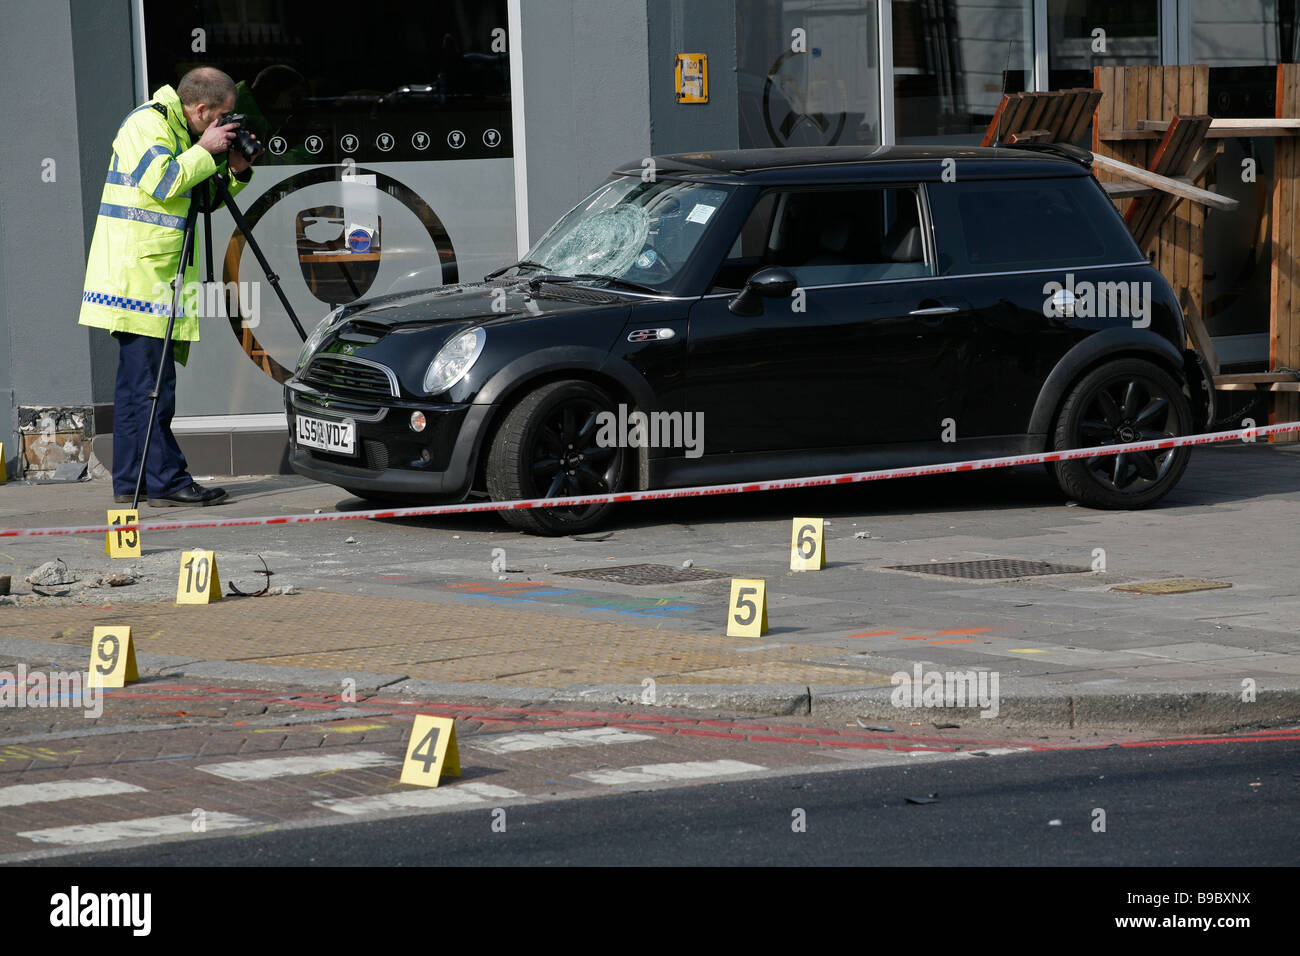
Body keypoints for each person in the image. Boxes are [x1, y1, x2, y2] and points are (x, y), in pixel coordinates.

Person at [79, 67, 262, 506]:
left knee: (139, 388)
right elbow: (163, 182)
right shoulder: (146, 124)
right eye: (223, 116)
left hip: (161, 277)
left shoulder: (183, 130)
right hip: (139, 278)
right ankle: (167, 482)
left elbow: (201, 199)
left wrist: (234, 168)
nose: (226, 125)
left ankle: (133, 482)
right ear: (201, 110)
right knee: (152, 389)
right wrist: (204, 149)